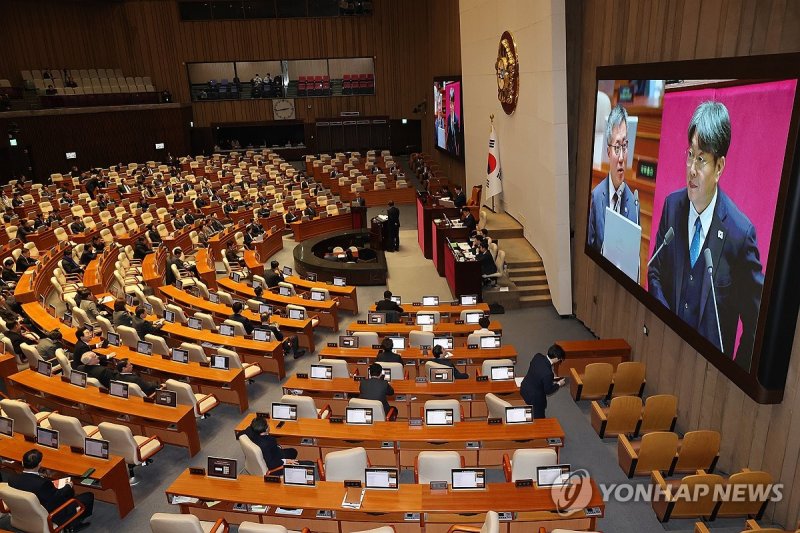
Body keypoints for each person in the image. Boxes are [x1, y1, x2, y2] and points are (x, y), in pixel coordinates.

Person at [648, 101, 762, 368]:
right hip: (663, 352)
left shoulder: (739, 234)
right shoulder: (672, 207)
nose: (692, 168)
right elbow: (654, 271)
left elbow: (757, 321)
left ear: (719, 166)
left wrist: (734, 371)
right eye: (690, 154)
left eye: (701, 159)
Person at [587, 105, 640, 253]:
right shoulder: (596, 197)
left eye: (624, 146)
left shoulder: (634, 204)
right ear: (608, 152)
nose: (622, 157)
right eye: (617, 147)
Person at [11, 449, 93, 531]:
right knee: (88, 496)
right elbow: (57, 498)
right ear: (39, 464)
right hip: (51, 513)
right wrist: (68, 486)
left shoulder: (12, 479)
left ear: (22, 462)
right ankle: (74, 525)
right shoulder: (42, 484)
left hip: (26, 512)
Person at [519, 344, 567, 419]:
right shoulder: (548, 373)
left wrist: (548, 378)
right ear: (556, 358)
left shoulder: (537, 356)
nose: (559, 361)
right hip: (534, 398)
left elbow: (536, 369)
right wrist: (559, 384)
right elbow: (548, 390)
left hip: (524, 387)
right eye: (560, 359)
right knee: (540, 419)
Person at [446, 87, 462, 155]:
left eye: (452, 105)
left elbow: (458, 133)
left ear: (454, 105)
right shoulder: (449, 117)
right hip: (449, 144)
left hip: (455, 143)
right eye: (450, 104)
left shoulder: (457, 118)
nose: (451, 107)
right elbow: (448, 130)